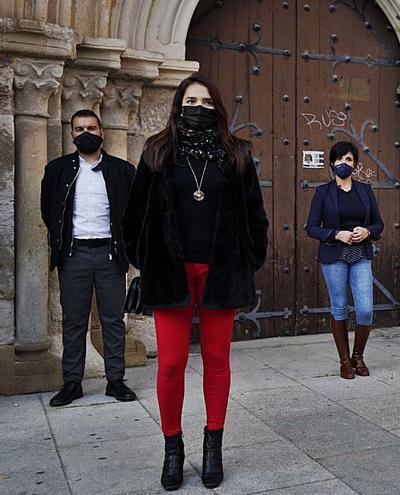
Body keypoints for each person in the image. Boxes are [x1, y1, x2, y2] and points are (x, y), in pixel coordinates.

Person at [122, 74, 268, 490]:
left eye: (206, 100)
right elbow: (134, 215)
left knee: (217, 361)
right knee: (170, 363)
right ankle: (173, 448)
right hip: (171, 271)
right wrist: (143, 259)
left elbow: (255, 214)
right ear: (178, 104)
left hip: (220, 271)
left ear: (217, 107)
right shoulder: (157, 151)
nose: (198, 106)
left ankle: (213, 446)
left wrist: (249, 259)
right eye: (191, 99)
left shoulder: (235, 153)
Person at [40, 109, 137, 407]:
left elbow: (134, 213)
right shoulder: (57, 169)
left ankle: (115, 380)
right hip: (74, 254)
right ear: (71, 134)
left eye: (91, 128)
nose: (85, 133)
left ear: (102, 131)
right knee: (73, 321)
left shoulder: (122, 170)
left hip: (110, 253)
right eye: (79, 129)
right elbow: (49, 211)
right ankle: (72, 383)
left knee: (112, 319)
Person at [305, 141, 384, 379]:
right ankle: (344, 361)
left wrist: (368, 231)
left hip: (360, 255)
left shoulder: (365, 190)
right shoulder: (323, 192)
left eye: (348, 160)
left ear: (355, 164)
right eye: (339, 160)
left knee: (365, 309)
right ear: (332, 163)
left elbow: (379, 223)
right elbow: (311, 227)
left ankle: (358, 356)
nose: (343, 164)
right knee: (339, 306)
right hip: (334, 255)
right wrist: (335, 234)